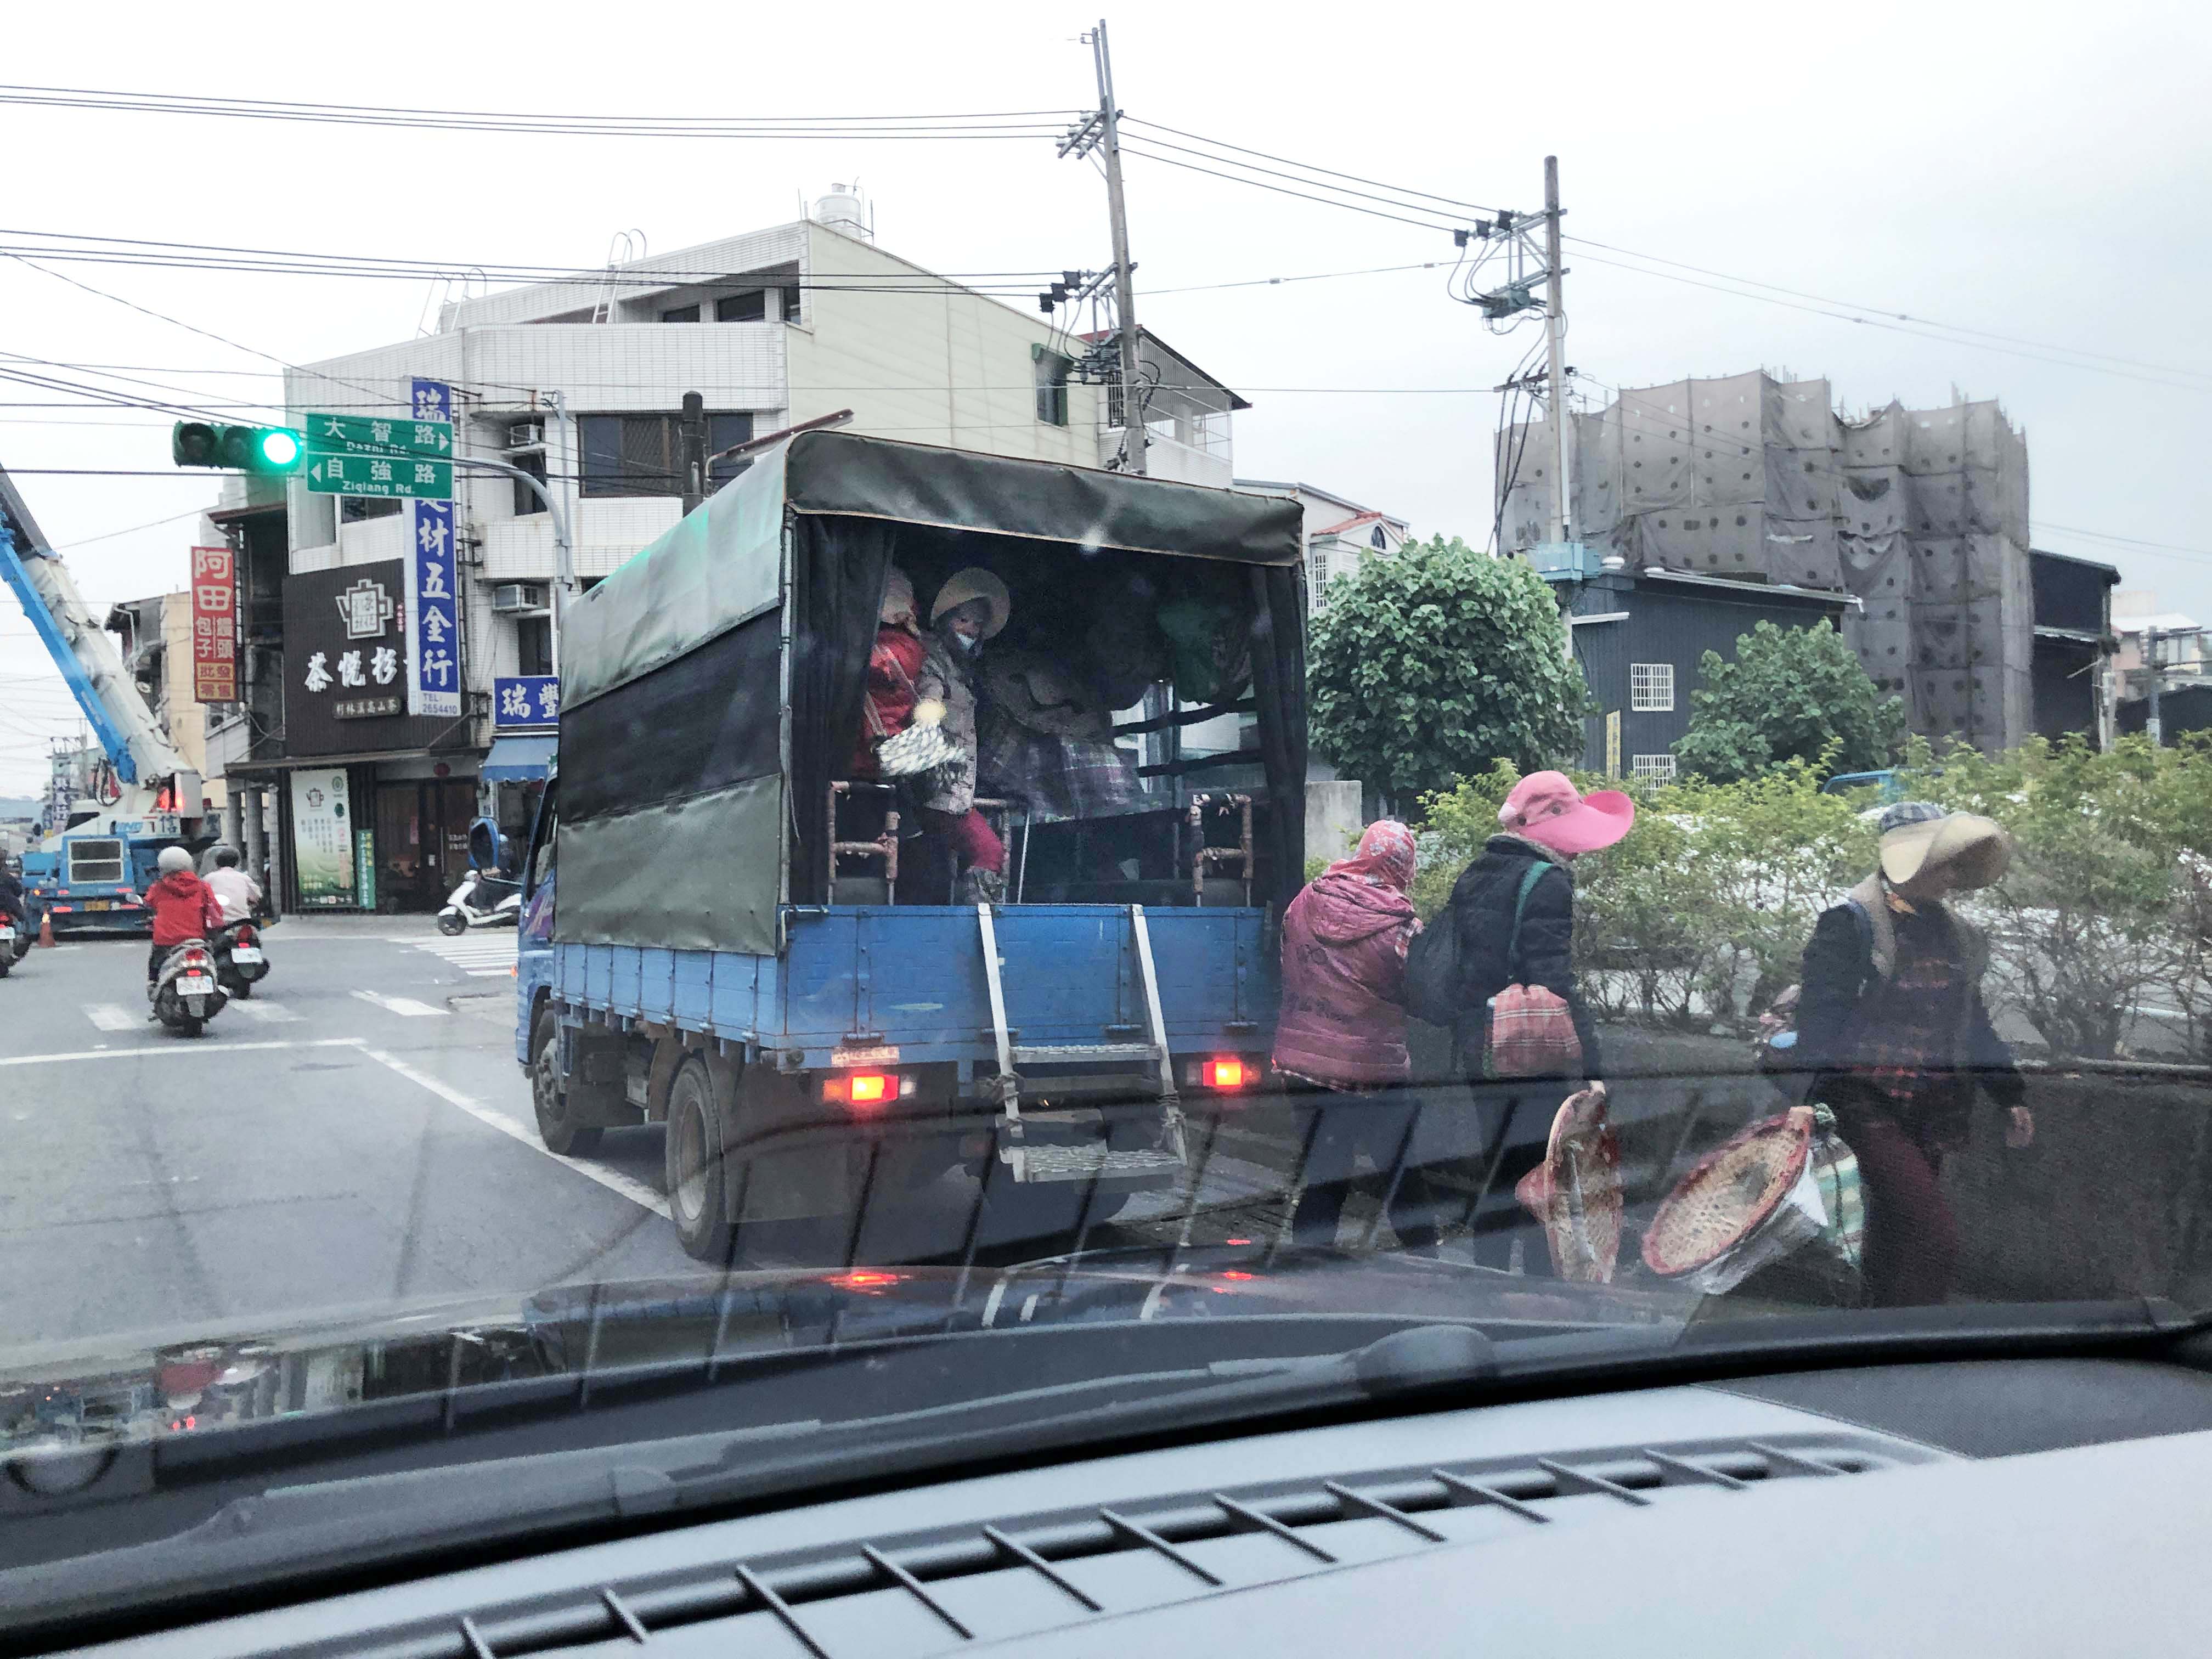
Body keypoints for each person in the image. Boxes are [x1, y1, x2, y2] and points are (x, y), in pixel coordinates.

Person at [1795, 800, 2033, 1308]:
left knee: (1895, 1233)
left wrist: (2009, 1094)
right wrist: (1806, 1100)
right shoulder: (1852, 924)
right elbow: (1820, 1019)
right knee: (1934, 1237)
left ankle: (1877, 1339)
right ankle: (1914, 1343)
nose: (1952, 875)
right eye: (1943, 862)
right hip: (1862, 1100)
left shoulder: (1955, 934)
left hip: (1931, 1106)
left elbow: (1974, 1022)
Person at [1446, 770, 1634, 1272]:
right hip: (1530, 1052)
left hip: (1479, 1047)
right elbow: (1557, 982)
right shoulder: (1546, 882)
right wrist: (1593, 1067)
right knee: (1541, 1174)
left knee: (1497, 1165)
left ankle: (1486, 1279)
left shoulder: (1477, 872)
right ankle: (1536, 1291)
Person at [1272, 820, 1443, 1252]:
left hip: (1301, 1064)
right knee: (1402, 1176)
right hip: (1373, 1071)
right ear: (1403, 864)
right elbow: (1424, 996)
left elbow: (1288, 965)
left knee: (1325, 1175)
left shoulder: (1306, 899)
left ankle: (1306, 1274)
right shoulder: (1401, 924)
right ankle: (1435, 1269)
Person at [913, 568, 1012, 905]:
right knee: (990, 851)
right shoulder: (934, 662)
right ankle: (980, 922)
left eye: (977, 625)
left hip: (956, 790)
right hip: (938, 790)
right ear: (947, 621)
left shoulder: (965, 671)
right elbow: (929, 700)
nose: (971, 630)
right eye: (964, 621)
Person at [850, 567, 929, 778]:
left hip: (872, 749)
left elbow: (873, 667)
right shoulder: (911, 646)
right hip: (886, 749)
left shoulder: (894, 647)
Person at [144, 845, 224, 994]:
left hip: (166, 941)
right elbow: (216, 910)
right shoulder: (202, 887)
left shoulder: (158, 888)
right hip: (196, 939)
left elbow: (148, 903)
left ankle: (154, 986)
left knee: (156, 964)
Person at [202, 845, 262, 925]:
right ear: (236, 863)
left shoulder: (208, 878)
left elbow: (202, 898)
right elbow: (256, 897)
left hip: (217, 923)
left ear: (217, 863)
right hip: (242, 921)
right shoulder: (244, 878)